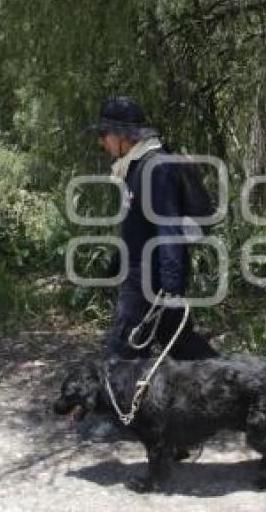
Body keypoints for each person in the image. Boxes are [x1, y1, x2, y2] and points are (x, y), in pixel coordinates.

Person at [87, 95, 218, 361]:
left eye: (104, 133)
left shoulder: (156, 168)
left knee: (120, 357)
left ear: (123, 135)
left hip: (150, 279)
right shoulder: (135, 167)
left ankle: (233, 382)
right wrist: (118, 262)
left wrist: (171, 283)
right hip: (143, 272)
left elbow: (167, 226)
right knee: (180, 344)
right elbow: (138, 225)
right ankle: (229, 381)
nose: (101, 141)